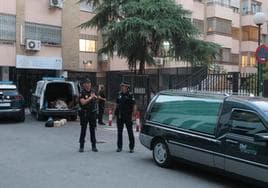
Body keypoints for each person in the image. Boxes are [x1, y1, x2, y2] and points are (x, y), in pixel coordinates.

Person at [115, 81, 136, 153]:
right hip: (120, 115)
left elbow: (134, 105)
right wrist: (115, 114)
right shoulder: (119, 94)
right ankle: (119, 147)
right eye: (121, 86)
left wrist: (133, 115)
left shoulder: (130, 95)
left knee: (130, 131)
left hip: (128, 115)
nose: (122, 87)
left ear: (127, 87)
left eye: (123, 86)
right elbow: (117, 104)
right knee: (119, 132)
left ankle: (131, 147)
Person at [78, 78, 98, 152]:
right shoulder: (82, 92)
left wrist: (95, 98)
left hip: (92, 113)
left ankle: (94, 146)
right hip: (85, 113)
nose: (88, 85)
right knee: (83, 130)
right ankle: (81, 146)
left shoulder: (93, 92)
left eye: (89, 83)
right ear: (84, 85)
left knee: (92, 130)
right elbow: (83, 102)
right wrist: (90, 98)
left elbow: (97, 100)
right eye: (86, 83)